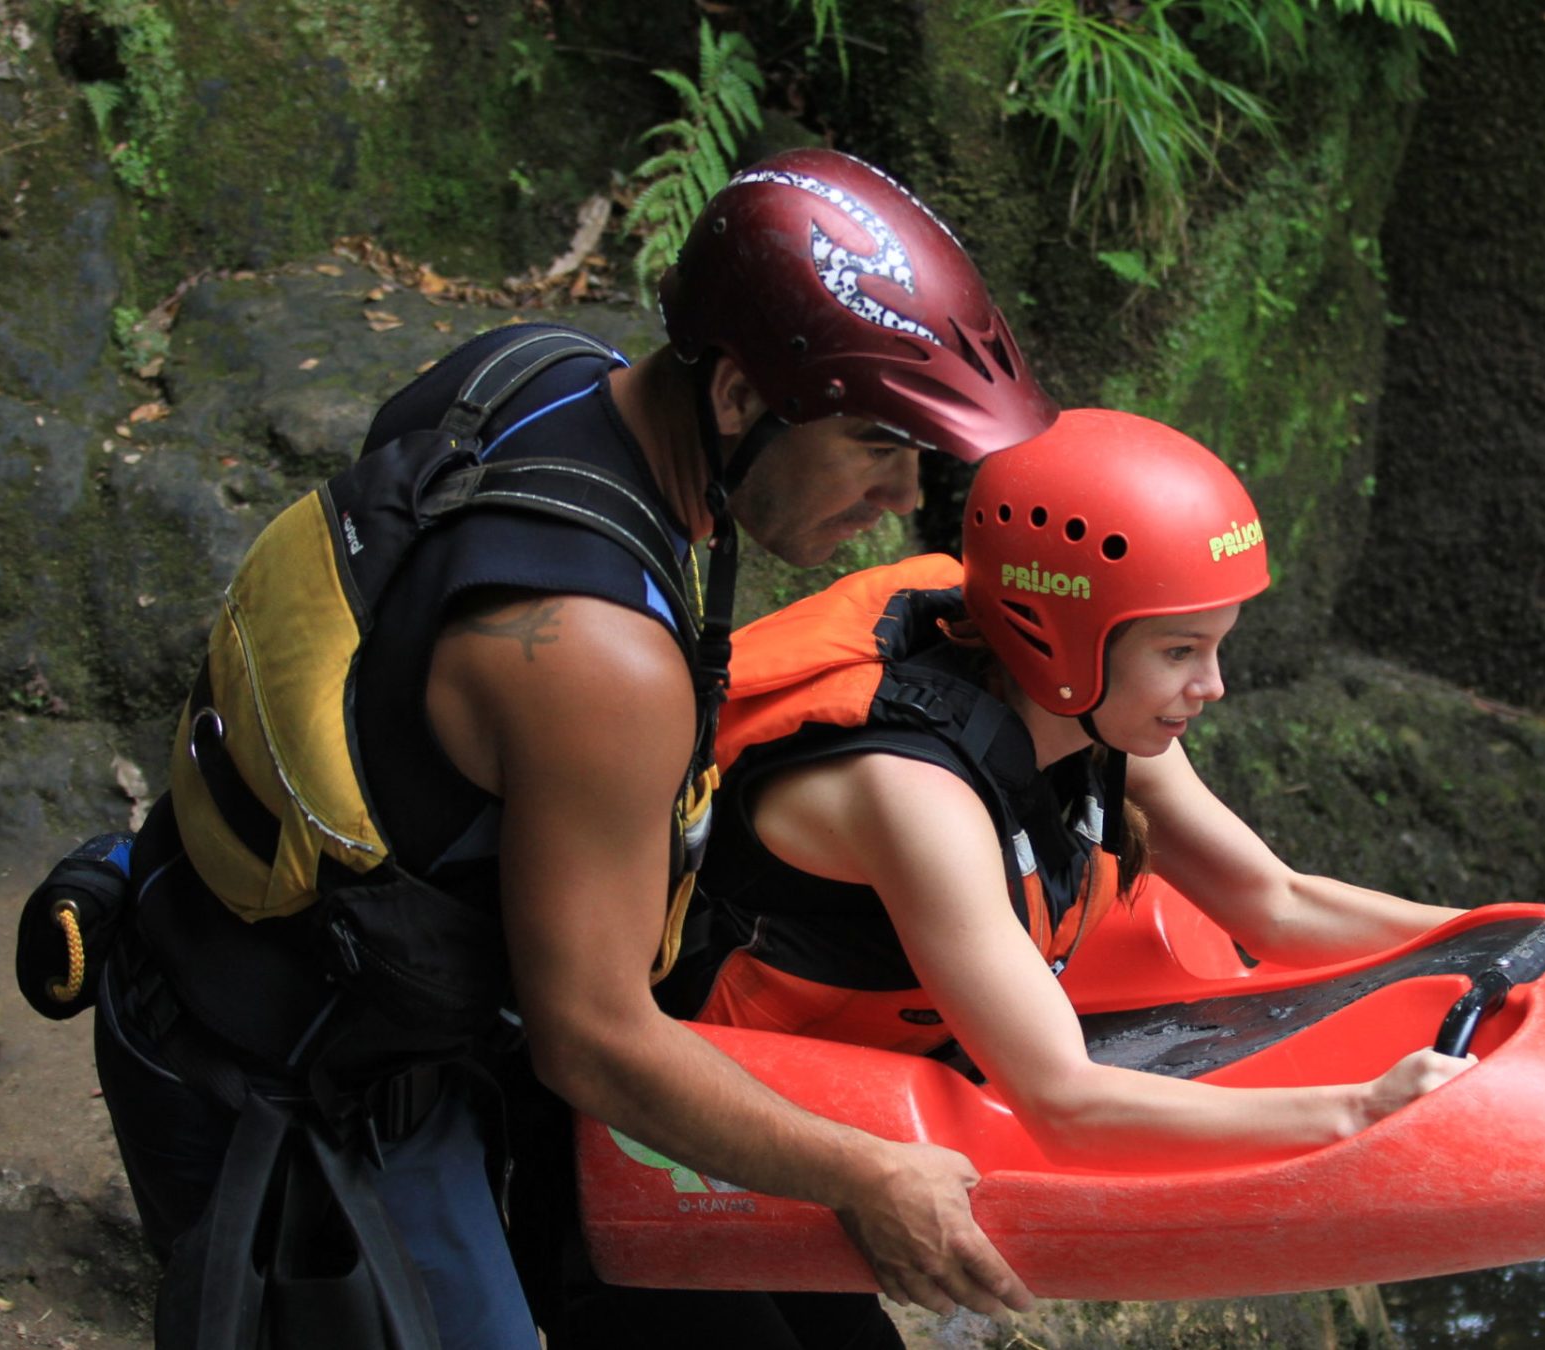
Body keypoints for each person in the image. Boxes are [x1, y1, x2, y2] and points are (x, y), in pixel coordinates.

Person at [86, 148, 1056, 1348]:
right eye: (873, 441)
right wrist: (868, 1174)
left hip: (203, 953)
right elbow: (594, 1041)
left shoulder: (532, 371)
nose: (906, 495)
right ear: (741, 398)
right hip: (297, 1088)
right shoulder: (600, 662)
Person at [669, 408, 1475, 1169]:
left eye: (1216, 647)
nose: (1213, 685)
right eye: (1179, 651)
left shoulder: (1085, 708)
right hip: (700, 1119)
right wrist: (1361, 1111)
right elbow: (1064, 1103)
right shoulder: (913, 795)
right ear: (1060, 639)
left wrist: (1523, 939)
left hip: (855, 1075)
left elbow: (1277, 905)